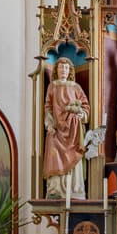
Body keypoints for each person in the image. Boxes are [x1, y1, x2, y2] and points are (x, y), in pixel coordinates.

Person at [41, 56, 88, 195]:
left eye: (66, 68)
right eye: (61, 67)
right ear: (56, 70)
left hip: (73, 129)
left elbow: (85, 105)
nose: (64, 70)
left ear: (70, 71)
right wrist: (49, 123)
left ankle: (74, 189)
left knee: (74, 154)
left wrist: (82, 114)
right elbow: (48, 107)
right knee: (54, 154)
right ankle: (56, 189)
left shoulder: (76, 87)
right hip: (56, 129)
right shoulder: (52, 86)